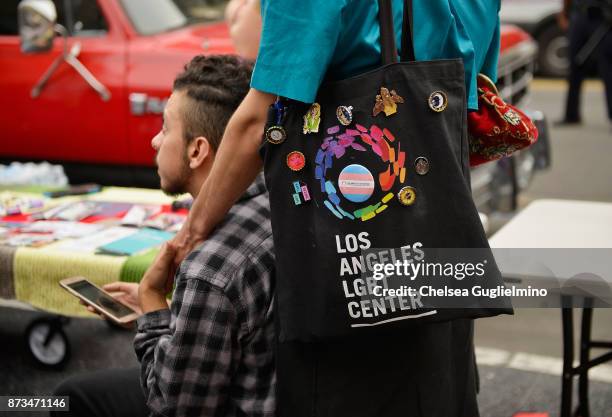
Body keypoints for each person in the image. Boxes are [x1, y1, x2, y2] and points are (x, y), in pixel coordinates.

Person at [157, 1, 502, 416]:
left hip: (347, 269)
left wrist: (192, 233)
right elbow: (466, 108)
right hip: (438, 252)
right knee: (438, 387)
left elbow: (257, 120)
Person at [52, 55, 276, 417]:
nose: (156, 141)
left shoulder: (209, 267)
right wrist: (168, 315)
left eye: (165, 128)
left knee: (67, 397)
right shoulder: (281, 201)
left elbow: (172, 407)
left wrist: (154, 301)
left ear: (197, 150)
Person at [557, 0, 612, 125]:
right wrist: (564, 13)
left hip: (602, 16)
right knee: (575, 66)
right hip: (579, 14)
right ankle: (571, 115)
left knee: (608, 67)